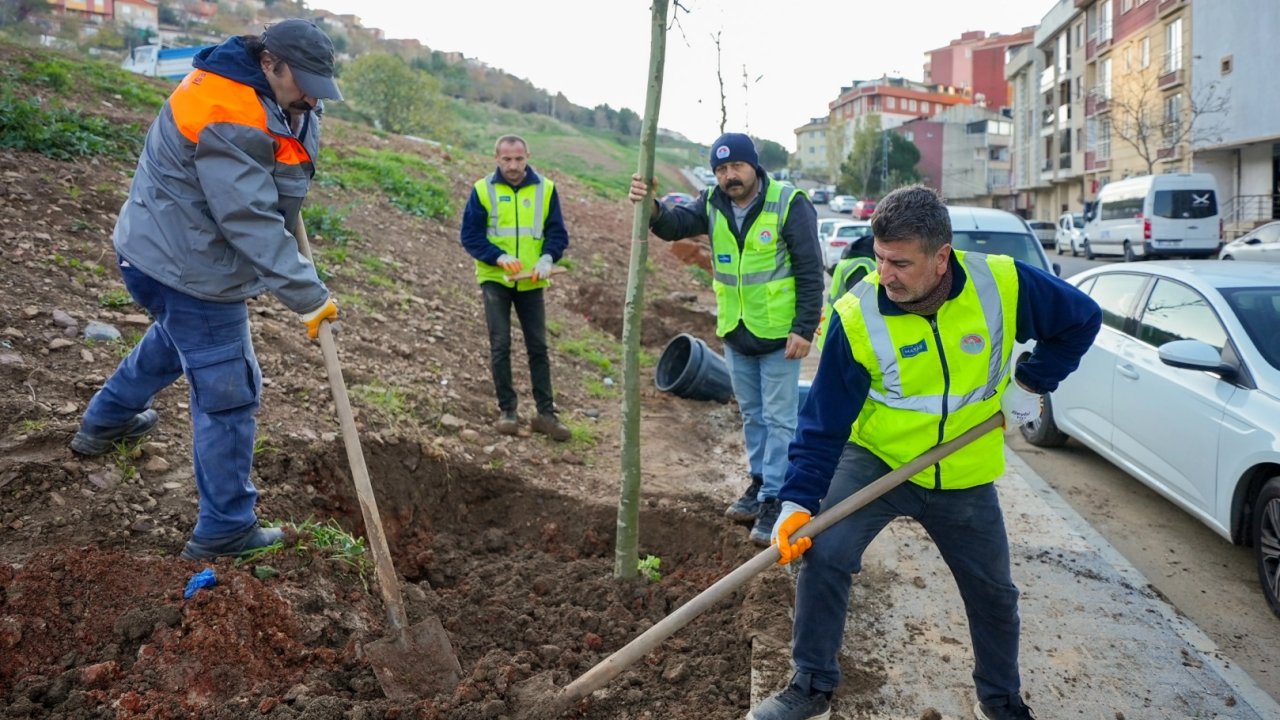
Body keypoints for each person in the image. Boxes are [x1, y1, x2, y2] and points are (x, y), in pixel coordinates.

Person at [750, 185, 1102, 720]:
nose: (885, 274)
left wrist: (1031, 382)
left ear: (942, 258)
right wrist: (798, 500)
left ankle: (1000, 700)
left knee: (994, 593)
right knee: (824, 554)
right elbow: (823, 423)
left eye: (900, 263)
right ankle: (811, 686)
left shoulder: (1001, 284)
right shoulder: (857, 315)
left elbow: (1082, 318)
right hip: (878, 461)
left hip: (962, 471)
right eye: (880, 258)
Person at [69, 20, 344, 561]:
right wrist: (308, 294)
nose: (312, 96)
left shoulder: (278, 94)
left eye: (319, 84)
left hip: (161, 252)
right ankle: (226, 529)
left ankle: (106, 421)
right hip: (187, 264)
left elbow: (277, 166)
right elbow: (247, 217)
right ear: (270, 63)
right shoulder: (227, 108)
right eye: (303, 82)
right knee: (229, 390)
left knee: (177, 340)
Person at [628, 133, 824, 546]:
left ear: (754, 166)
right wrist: (654, 209)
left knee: (780, 419)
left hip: (779, 335)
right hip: (737, 330)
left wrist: (804, 329)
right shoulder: (714, 203)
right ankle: (759, 485)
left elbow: (810, 270)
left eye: (736, 167)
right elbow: (676, 225)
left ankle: (776, 498)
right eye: (721, 170)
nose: (729, 176)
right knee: (752, 415)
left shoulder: (789, 203)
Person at [460, 135, 571, 441]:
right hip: (496, 279)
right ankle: (508, 411)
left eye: (518, 159)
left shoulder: (545, 189)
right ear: (497, 158)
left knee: (538, 347)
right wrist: (498, 256)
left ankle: (546, 415)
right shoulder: (483, 190)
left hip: (532, 280)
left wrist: (548, 257)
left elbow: (557, 232)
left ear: (527, 157)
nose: (513, 165)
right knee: (501, 345)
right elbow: (470, 235)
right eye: (507, 159)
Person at [812, 232, 876, 353]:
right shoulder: (863, 263)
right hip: (844, 340)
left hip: (835, 333)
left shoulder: (857, 252)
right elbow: (859, 309)